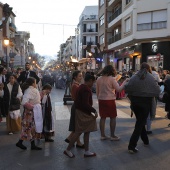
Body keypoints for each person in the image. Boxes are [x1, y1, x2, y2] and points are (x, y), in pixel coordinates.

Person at [125, 62, 160, 154]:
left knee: (140, 121)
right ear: (148, 68)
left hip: (135, 103)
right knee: (140, 124)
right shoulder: (150, 77)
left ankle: (145, 140)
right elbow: (157, 90)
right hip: (145, 103)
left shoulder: (134, 77)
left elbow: (127, 88)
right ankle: (131, 146)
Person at [64, 74, 97, 158]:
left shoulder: (81, 87)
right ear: (89, 81)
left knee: (87, 131)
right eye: (93, 82)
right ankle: (68, 150)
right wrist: (94, 110)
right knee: (78, 131)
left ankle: (87, 150)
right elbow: (85, 103)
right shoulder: (85, 89)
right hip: (82, 112)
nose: (93, 84)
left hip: (81, 110)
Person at [96, 65, 128, 141]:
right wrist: (124, 82)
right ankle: (112, 135)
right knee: (112, 117)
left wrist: (99, 98)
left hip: (101, 99)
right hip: (110, 100)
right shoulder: (112, 79)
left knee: (102, 117)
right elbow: (119, 89)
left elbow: (97, 91)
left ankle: (102, 135)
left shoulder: (99, 79)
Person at [16, 77, 43, 150]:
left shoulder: (31, 90)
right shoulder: (30, 90)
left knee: (30, 128)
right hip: (30, 112)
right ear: (32, 83)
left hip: (32, 112)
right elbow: (24, 102)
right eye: (35, 82)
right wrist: (32, 107)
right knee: (28, 128)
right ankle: (21, 142)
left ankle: (29, 144)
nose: (36, 84)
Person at [65, 70, 84, 148]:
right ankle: (70, 139)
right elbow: (76, 98)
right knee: (78, 126)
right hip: (77, 106)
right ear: (75, 77)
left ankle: (77, 141)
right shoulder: (75, 86)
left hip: (77, 106)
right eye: (79, 76)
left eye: (81, 76)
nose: (81, 77)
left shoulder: (76, 85)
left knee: (77, 125)